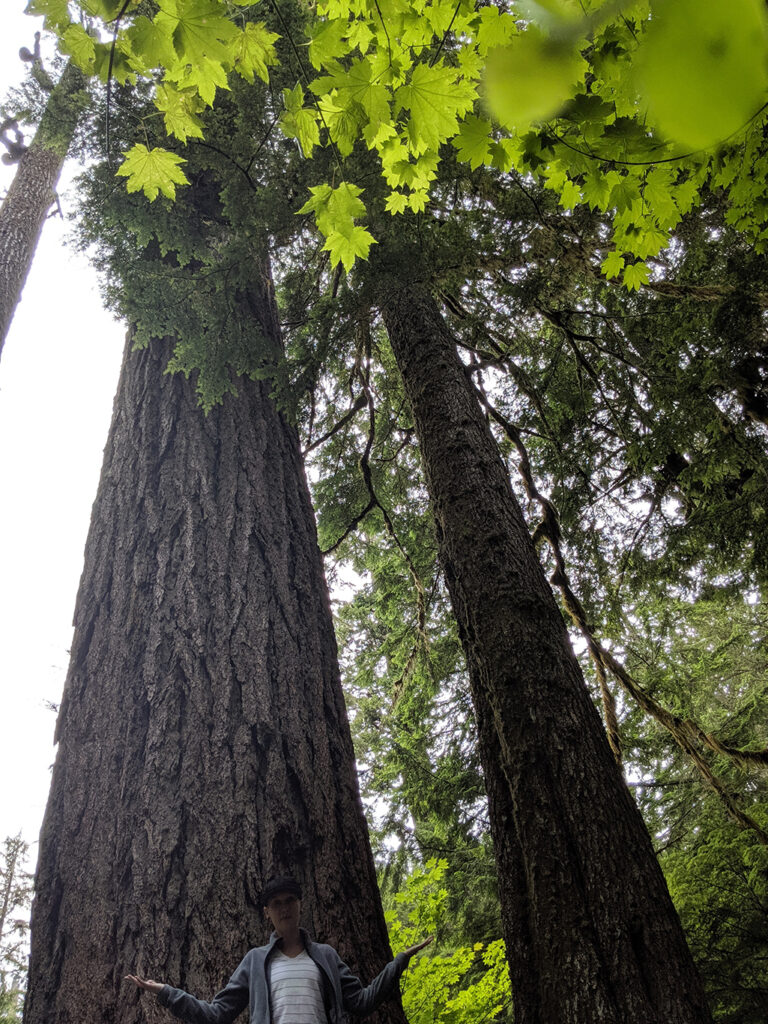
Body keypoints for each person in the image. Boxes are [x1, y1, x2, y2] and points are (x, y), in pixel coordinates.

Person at [125, 875, 432, 1023]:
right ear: (267, 913)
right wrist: (166, 992)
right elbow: (217, 1014)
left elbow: (361, 1001)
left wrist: (400, 961)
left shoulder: (325, 956)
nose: (284, 909)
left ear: (300, 906)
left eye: (290, 901)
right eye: (276, 904)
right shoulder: (255, 961)